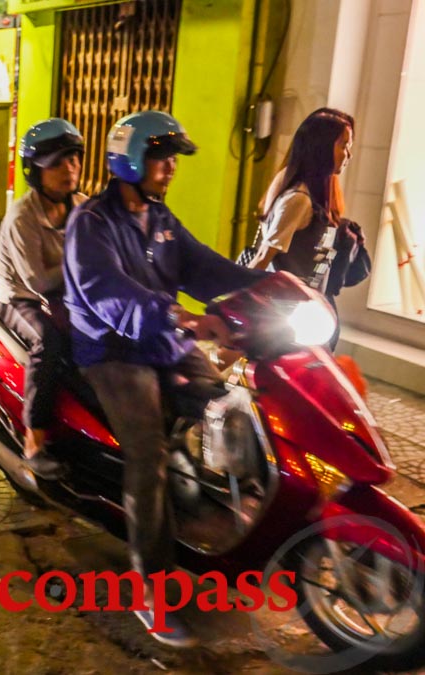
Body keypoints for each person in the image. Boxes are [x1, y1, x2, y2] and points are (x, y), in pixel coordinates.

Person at [63, 111, 267, 647]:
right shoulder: (92, 223)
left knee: (234, 405)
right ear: (129, 160)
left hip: (162, 340)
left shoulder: (160, 218)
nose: (171, 167)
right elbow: (108, 292)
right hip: (113, 350)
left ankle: (227, 513)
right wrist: (183, 317)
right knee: (148, 454)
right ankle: (150, 586)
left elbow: (205, 268)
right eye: (161, 156)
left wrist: (268, 284)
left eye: (173, 157)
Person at [0, 118, 87, 479]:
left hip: (68, 297)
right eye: (59, 162)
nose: (70, 169)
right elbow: (37, 280)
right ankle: (34, 441)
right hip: (21, 300)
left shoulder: (82, 206)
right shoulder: (22, 216)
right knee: (48, 342)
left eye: (74, 159)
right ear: (35, 170)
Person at [247, 108, 366, 347]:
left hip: (308, 314)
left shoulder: (316, 197)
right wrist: (235, 301)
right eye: (343, 145)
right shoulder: (299, 200)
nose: (348, 154)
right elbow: (262, 257)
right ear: (321, 148)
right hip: (286, 319)